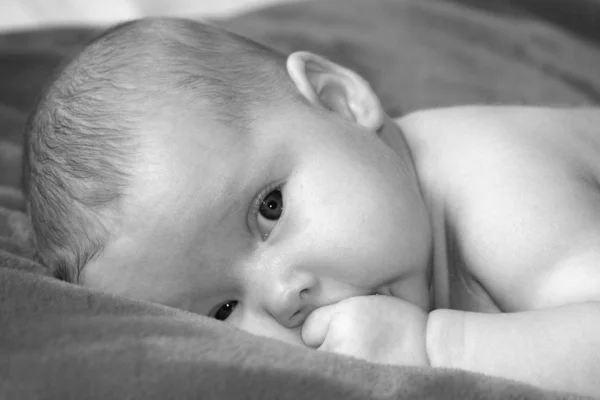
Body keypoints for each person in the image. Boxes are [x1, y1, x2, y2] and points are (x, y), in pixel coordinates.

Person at [23, 17, 600, 397]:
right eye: (222, 310)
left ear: (339, 101)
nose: (283, 297)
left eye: (269, 209)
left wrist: (437, 347)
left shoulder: (497, 190)